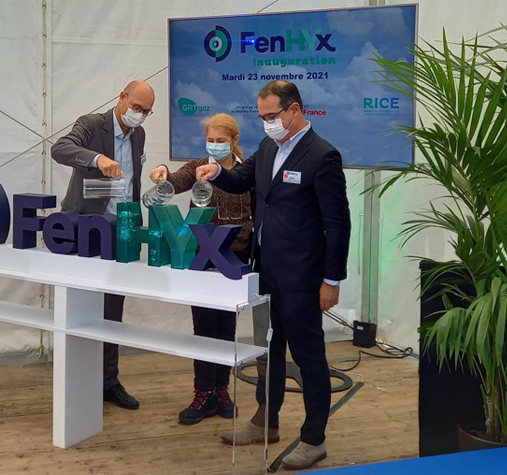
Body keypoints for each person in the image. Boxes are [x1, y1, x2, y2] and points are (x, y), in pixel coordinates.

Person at [196, 80, 351, 471]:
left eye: (272, 116)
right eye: (262, 117)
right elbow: (239, 180)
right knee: (269, 349)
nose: (266, 123)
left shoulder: (323, 156)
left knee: (308, 355)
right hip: (265, 269)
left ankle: (314, 439)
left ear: (295, 110)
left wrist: (331, 280)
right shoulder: (269, 148)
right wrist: (215, 171)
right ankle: (266, 420)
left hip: (302, 275)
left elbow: (338, 224)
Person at [51, 80, 155, 411]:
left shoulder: (138, 135)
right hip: (84, 226)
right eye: (136, 107)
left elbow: (133, 181)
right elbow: (60, 148)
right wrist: (97, 159)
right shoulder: (92, 124)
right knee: (80, 307)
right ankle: (78, 380)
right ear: (121, 98)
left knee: (112, 310)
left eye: (146, 112)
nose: (139, 115)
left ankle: (109, 380)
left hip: (118, 231)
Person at [150, 113, 254, 424]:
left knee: (226, 326)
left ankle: (222, 390)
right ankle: (202, 392)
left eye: (221, 141)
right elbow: (175, 181)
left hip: (236, 256)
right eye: (211, 140)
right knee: (203, 325)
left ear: (233, 141)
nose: (215, 145)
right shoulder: (197, 167)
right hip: (202, 255)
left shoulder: (247, 172)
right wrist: (162, 173)